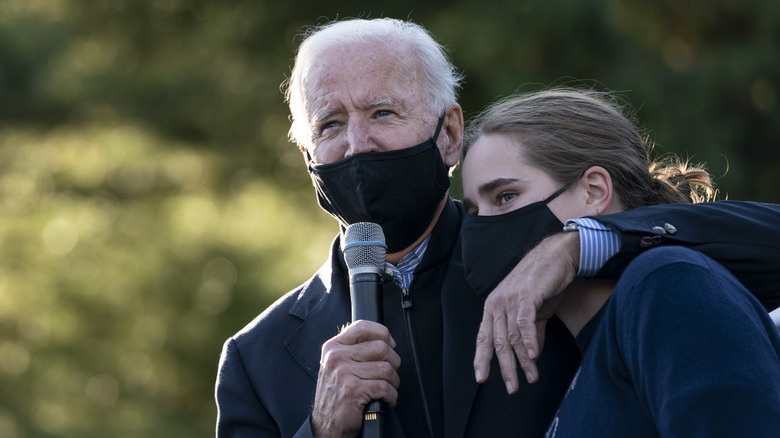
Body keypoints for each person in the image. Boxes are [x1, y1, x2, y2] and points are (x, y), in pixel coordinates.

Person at [214, 18, 780, 438]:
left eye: (383, 113)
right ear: (307, 152)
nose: (358, 144)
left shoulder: (534, 256)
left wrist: (576, 245)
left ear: (449, 132)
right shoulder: (254, 360)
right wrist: (317, 430)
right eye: (331, 123)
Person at [459, 88, 780, 437]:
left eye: (506, 197)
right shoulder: (578, 359)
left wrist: (576, 244)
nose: (482, 226)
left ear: (594, 191)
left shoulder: (665, 283)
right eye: (474, 212)